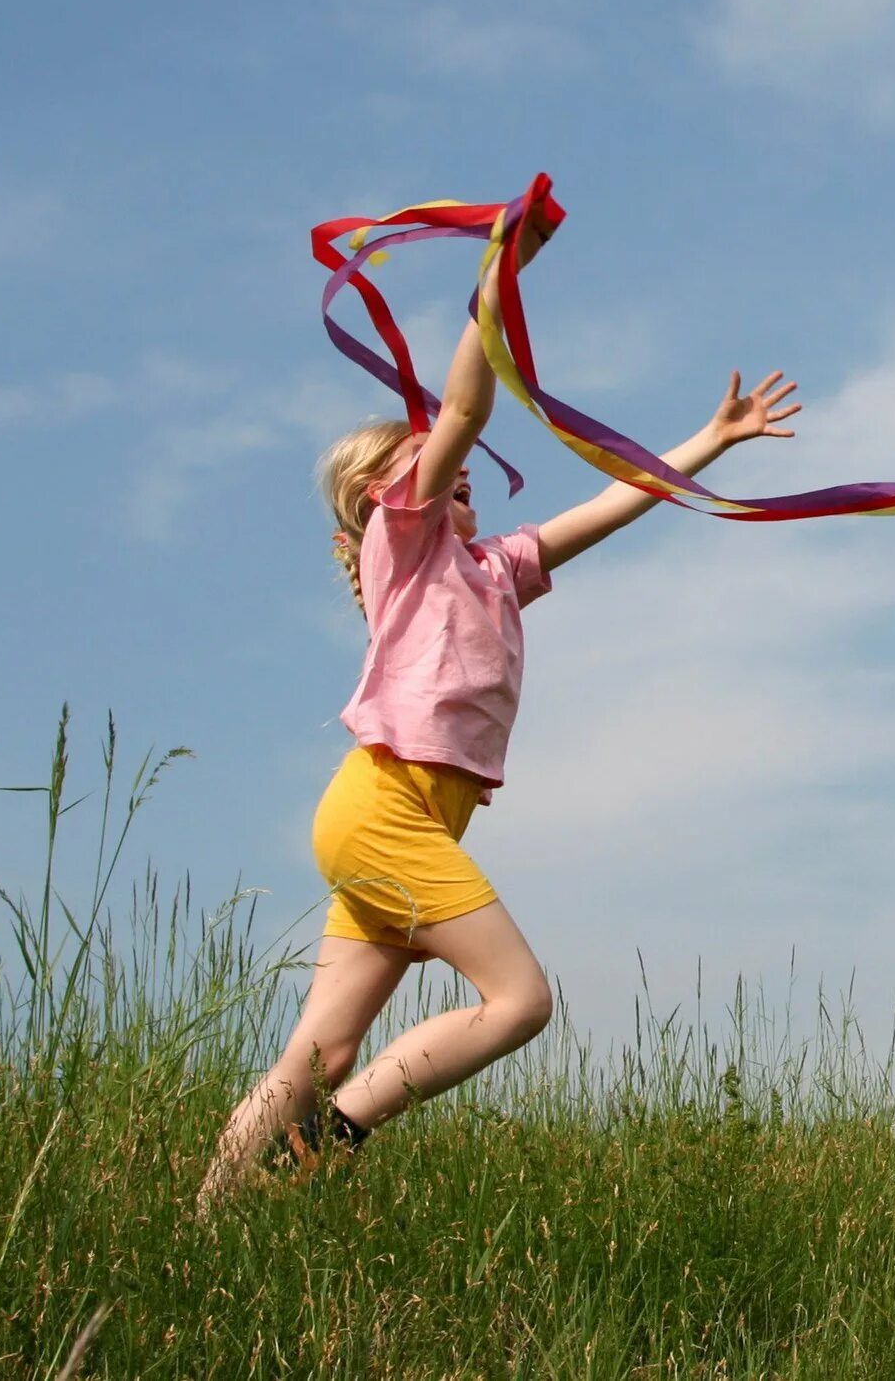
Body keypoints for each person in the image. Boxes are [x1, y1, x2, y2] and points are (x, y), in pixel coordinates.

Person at [197, 219, 800, 1211]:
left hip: (400, 820)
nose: (452, 458)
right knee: (519, 1000)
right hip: (385, 806)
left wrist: (711, 441)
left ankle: (202, 1217)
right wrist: (496, 279)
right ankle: (331, 1136)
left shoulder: (491, 570)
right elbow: (467, 405)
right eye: (426, 453)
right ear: (378, 497)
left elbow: (608, 507)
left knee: (324, 1043)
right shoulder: (407, 547)